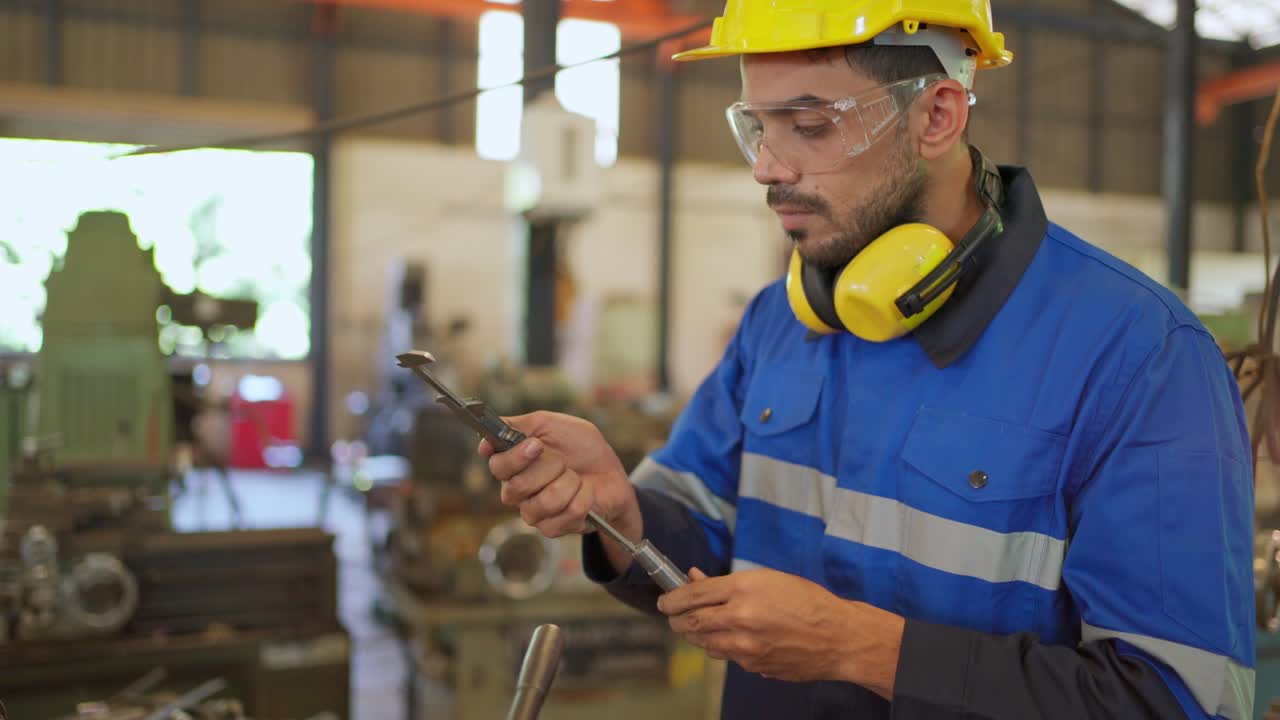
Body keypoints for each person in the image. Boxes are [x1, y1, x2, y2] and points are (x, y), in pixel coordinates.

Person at [480, 1, 1256, 717]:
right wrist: (620, 516)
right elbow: (697, 541)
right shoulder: (780, 322)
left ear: (937, 115)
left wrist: (863, 649)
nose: (767, 167)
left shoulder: (1138, 357)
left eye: (809, 127)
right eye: (757, 127)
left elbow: (1174, 700)